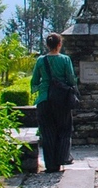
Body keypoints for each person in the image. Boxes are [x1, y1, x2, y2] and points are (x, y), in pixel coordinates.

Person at [31, 33, 77, 173]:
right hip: (61, 100)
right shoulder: (65, 60)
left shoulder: (41, 60)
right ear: (59, 45)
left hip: (44, 100)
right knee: (64, 130)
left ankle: (51, 165)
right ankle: (62, 158)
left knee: (47, 132)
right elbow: (71, 79)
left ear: (47, 45)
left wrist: (42, 88)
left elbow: (34, 82)